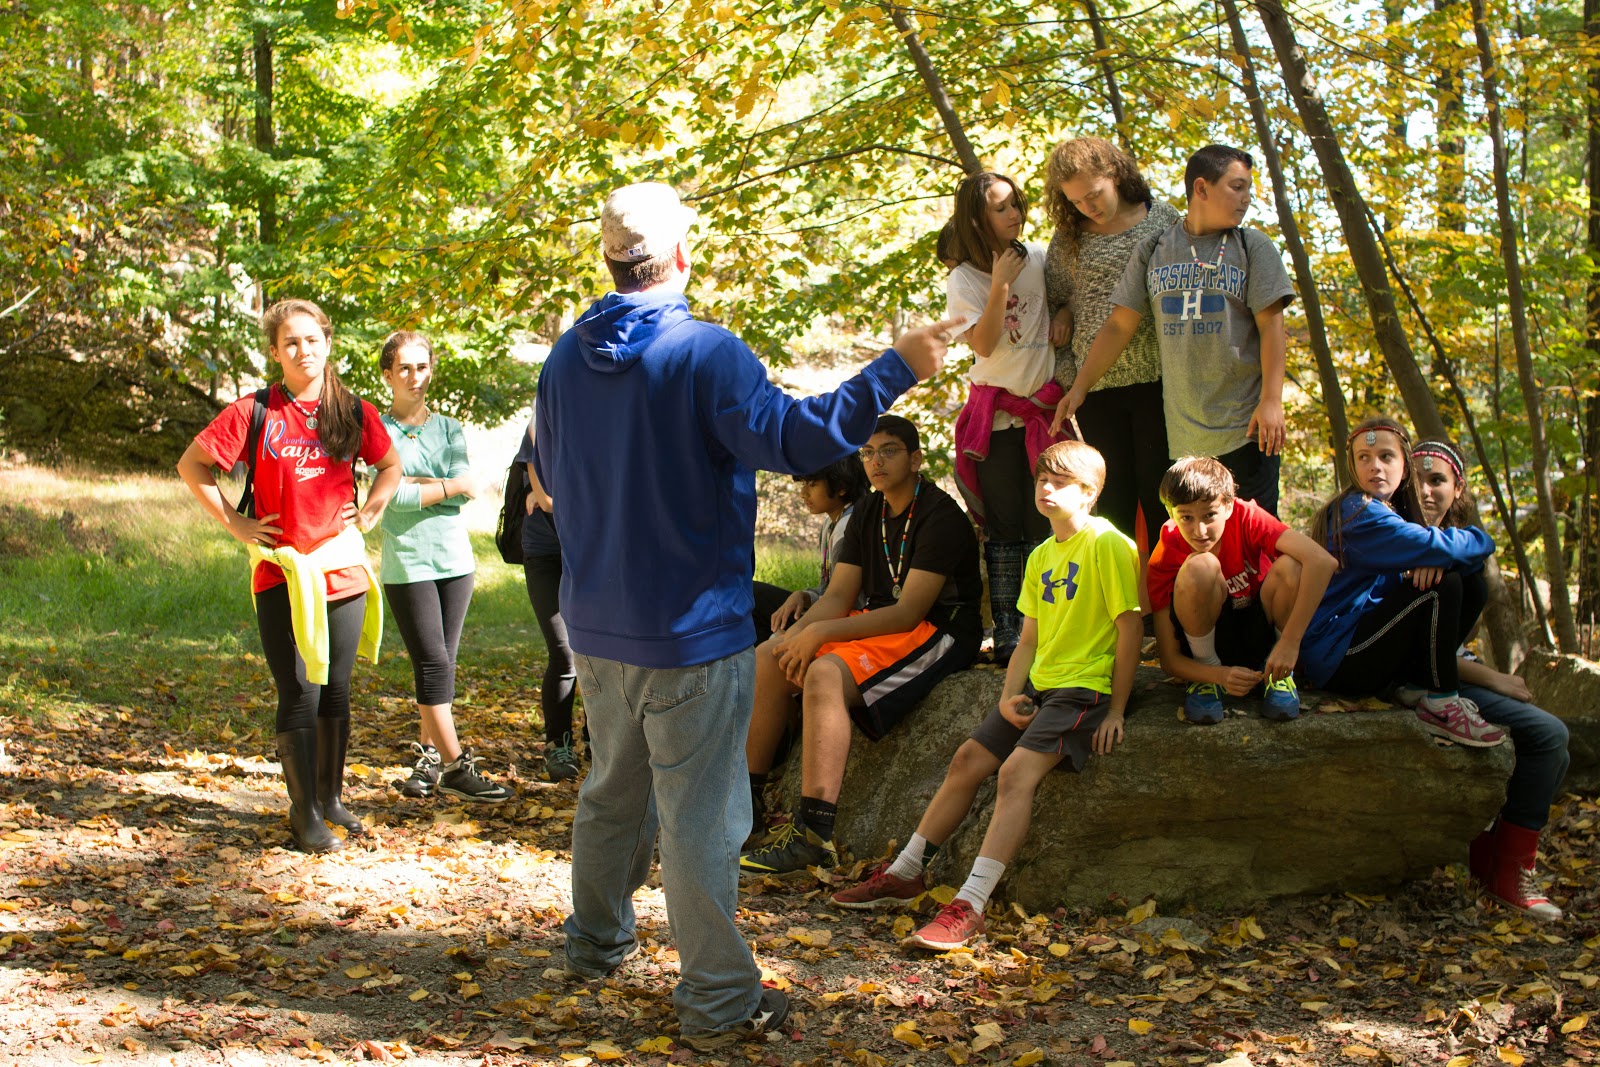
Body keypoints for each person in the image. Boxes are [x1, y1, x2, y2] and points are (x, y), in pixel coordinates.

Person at [532, 181, 958, 1051]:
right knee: (700, 818)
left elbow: (556, 477)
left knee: (612, 791)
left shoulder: (565, 359)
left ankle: (594, 943)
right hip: (690, 631)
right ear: (681, 256)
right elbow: (801, 442)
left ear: (609, 261)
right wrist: (899, 366)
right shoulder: (704, 352)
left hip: (598, 626)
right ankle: (721, 998)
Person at [828, 440, 1140, 951]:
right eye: (1042, 479)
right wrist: (1007, 696)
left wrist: (1118, 710)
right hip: (1040, 685)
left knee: (1015, 773)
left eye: (1060, 481)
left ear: (1089, 492)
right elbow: (1028, 640)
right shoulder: (1041, 555)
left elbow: (1130, 630)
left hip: (1084, 688)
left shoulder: (1108, 544)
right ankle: (906, 872)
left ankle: (970, 905)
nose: (1046, 488)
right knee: (967, 760)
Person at [176, 299, 401, 853]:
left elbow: (390, 465)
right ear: (275, 352)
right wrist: (235, 522)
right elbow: (192, 464)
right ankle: (304, 814)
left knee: (336, 688)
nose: (303, 350)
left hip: (341, 567)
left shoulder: (352, 411)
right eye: (290, 342)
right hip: (282, 571)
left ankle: (330, 799)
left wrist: (371, 510)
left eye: (312, 339)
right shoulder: (254, 410)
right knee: (300, 689)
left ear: (328, 344)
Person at [738, 415, 982, 877]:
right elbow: (837, 597)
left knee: (824, 672)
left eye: (888, 451)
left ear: (915, 459)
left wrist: (821, 635)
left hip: (936, 628)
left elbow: (909, 612)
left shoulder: (940, 515)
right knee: (769, 656)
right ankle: (745, 811)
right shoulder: (869, 510)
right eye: (868, 453)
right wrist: (798, 634)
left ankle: (813, 837)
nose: (876, 461)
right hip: (880, 620)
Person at [1052, 145, 1294, 516]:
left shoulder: (1252, 246)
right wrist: (1080, 387)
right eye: (1238, 187)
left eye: (1247, 188)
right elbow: (1118, 324)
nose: (1247, 198)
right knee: (1194, 536)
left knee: (1256, 533)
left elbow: (1273, 328)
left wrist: (1272, 401)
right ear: (1201, 188)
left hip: (1246, 427)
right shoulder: (1154, 248)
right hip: (1184, 436)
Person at [1411, 438, 1568, 921]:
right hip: (1413, 682)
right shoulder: (1386, 537)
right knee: (1548, 736)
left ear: (1457, 489)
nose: (1425, 491)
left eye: (1437, 480)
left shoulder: (1459, 546)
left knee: (1552, 744)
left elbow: (1448, 640)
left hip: (1449, 674)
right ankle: (1503, 870)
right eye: (1416, 480)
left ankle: (1498, 865)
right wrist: (1493, 678)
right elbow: (1413, 651)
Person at [1300, 418, 1505, 747]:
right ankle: (1441, 704)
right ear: (1352, 466)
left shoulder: (1389, 509)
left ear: (1405, 466)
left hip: (1363, 642)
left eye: (1386, 456)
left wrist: (1435, 560)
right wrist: (1476, 541)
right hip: (1338, 658)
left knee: (1471, 581)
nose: (1375, 466)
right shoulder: (1358, 513)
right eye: (1363, 457)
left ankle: (1417, 687)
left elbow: (1441, 553)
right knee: (1444, 583)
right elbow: (1439, 546)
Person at [376, 331, 511, 804]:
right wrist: (446, 485)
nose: (414, 376)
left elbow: (467, 488)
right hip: (407, 563)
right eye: (404, 368)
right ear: (388, 374)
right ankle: (456, 767)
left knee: (442, 665)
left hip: (455, 562)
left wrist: (420, 482)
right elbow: (394, 498)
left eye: (422, 367)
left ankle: (428, 758)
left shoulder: (450, 428)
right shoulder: (376, 431)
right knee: (431, 662)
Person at [945, 171, 1070, 664]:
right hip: (996, 420)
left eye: (1015, 203)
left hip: (1045, 415)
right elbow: (983, 343)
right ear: (978, 219)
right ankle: (1008, 630)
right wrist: (999, 283)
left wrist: (1064, 314)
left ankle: (1052, 628)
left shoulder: (1039, 256)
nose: (1014, 213)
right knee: (1004, 526)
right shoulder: (963, 279)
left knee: (1048, 518)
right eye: (1001, 208)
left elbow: (1066, 298)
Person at [1042, 135, 1181, 550]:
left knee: (1163, 498)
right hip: (1094, 388)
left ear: (1115, 174)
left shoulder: (1163, 219)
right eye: (1076, 201)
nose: (1088, 206)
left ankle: (1168, 589)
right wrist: (1064, 314)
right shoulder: (1068, 238)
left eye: (1094, 194)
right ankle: (1121, 589)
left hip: (1159, 381)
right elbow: (1054, 299)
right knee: (1113, 503)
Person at [1146, 456, 1336, 723]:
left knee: (1292, 564)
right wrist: (1218, 675)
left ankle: (1278, 673)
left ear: (1228, 506)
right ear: (1171, 513)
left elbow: (1322, 561)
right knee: (1200, 565)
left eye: (1209, 515)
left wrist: (1290, 643)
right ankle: (1204, 680)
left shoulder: (1247, 516)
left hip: (1259, 632)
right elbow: (1169, 659)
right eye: (1186, 517)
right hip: (1206, 648)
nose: (1200, 530)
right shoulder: (1167, 550)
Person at [513, 419, 584, 782]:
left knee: (601, 651)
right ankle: (558, 744)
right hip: (545, 554)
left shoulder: (602, 420)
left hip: (590, 553)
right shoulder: (538, 425)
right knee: (564, 652)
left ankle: (599, 739)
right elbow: (547, 501)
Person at [752, 453, 869, 646]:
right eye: (803, 484)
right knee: (753, 595)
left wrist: (799, 629)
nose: (803, 493)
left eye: (812, 485)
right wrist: (805, 596)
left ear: (841, 487)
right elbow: (827, 588)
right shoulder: (831, 523)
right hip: (829, 610)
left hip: (846, 621)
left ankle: (772, 649)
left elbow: (846, 600)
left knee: (758, 612)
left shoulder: (849, 527)